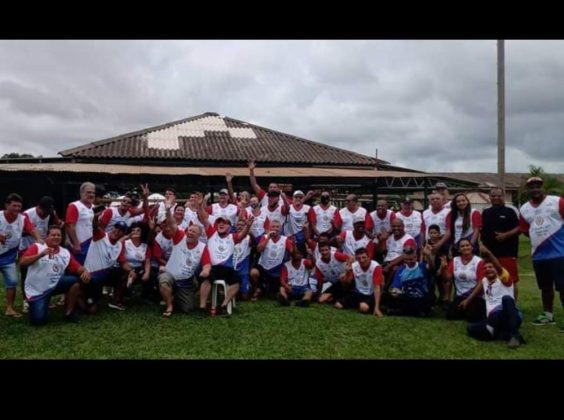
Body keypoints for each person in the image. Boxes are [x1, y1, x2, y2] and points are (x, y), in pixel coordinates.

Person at [20, 225, 90, 325]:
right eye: (53, 235)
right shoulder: (38, 247)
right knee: (38, 321)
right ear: (47, 237)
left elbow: (78, 268)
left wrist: (85, 272)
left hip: (55, 284)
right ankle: (40, 303)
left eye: (59, 235)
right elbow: (22, 262)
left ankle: (69, 313)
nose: (56, 237)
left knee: (76, 281)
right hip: (37, 290)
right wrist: (41, 255)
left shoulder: (65, 253)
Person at [519, 176, 564, 328]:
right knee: (545, 288)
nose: (535, 189)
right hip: (539, 256)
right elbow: (525, 230)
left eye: (538, 186)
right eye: (532, 187)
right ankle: (548, 315)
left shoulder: (557, 201)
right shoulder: (524, 208)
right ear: (528, 190)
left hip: (560, 254)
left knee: (563, 288)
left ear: (542, 188)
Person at [197, 196, 253, 316]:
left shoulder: (232, 237)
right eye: (219, 222)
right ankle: (202, 308)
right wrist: (200, 206)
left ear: (230, 226)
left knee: (237, 280)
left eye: (224, 223)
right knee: (206, 278)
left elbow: (243, 235)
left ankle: (223, 306)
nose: (221, 224)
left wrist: (248, 226)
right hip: (213, 268)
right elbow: (204, 219)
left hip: (227, 269)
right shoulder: (212, 233)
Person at [158, 207, 211, 317]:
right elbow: (172, 224)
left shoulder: (203, 247)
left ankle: (174, 296)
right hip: (170, 275)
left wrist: (206, 271)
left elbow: (207, 264)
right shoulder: (180, 237)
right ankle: (169, 306)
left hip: (186, 282)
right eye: (189, 230)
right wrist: (168, 210)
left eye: (194, 232)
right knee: (164, 280)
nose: (190, 233)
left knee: (188, 308)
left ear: (199, 235)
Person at [465, 260, 525, 348]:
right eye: (485, 268)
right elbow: (476, 291)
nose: (488, 269)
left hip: (509, 314)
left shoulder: (504, 279)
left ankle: (514, 336)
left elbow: (499, 268)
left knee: (507, 299)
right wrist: (467, 300)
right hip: (494, 318)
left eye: (491, 267)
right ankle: (502, 334)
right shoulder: (484, 281)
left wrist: (489, 254)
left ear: (497, 269)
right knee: (470, 327)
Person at [0, 193, 42, 317]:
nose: (17, 209)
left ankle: (9, 308)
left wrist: (38, 239)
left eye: (19, 206)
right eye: (14, 206)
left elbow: (32, 229)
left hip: (9, 256)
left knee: (12, 281)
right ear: (7, 205)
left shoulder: (22, 218)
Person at [19, 196, 63, 313]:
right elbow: (22, 230)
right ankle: (26, 300)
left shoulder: (51, 213)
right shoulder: (27, 214)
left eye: (49, 211)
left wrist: (59, 224)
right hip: (26, 247)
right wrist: (34, 235)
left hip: (44, 247)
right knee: (26, 274)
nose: (46, 215)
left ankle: (45, 296)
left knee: (46, 271)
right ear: (39, 207)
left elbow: (57, 224)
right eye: (45, 212)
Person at [481, 187, 520, 300]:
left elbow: (519, 228)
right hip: (489, 254)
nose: (496, 198)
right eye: (493, 196)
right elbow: (482, 230)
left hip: (507, 252)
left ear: (503, 196)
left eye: (499, 195)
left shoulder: (511, 211)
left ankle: (512, 305)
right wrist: (482, 246)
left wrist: (506, 235)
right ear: (489, 197)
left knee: (510, 280)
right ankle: (493, 304)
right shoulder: (485, 212)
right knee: (490, 279)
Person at [250, 219, 294, 300]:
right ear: (270, 228)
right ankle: (257, 289)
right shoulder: (264, 237)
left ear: (280, 229)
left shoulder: (285, 239)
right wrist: (268, 238)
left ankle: (268, 290)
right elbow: (259, 249)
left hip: (276, 270)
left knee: (273, 295)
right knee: (253, 273)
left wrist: (293, 245)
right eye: (273, 226)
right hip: (263, 267)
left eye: (277, 227)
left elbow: (292, 251)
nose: (275, 228)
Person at [386, 245, 435, 317]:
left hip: (421, 297)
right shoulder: (400, 270)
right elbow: (396, 286)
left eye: (411, 259)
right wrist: (395, 291)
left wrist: (428, 255)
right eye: (406, 259)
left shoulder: (422, 267)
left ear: (416, 257)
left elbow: (432, 267)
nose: (409, 262)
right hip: (406, 297)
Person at [444, 238, 485, 322]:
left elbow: (481, 283)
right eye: (462, 246)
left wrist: (468, 300)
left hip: (475, 296)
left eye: (467, 245)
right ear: (459, 249)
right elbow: (447, 278)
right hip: (461, 295)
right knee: (450, 315)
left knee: (473, 317)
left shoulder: (479, 261)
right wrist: (444, 267)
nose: (465, 247)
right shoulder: (455, 260)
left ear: (472, 247)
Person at [335, 247, 384, 317]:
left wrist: (377, 308)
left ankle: (370, 306)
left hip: (371, 293)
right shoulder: (354, 266)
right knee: (338, 305)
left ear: (369, 257)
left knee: (363, 308)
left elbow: (377, 288)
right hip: (358, 292)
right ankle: (360, 304)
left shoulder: (376, 266)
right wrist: (347, 272)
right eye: (359, 258)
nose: (362, 260)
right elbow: (347, 283)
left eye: (364, 257)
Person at [380, 219, 417, 289]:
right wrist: (382, 240)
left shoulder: (408, 239)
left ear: (403, 226)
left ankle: (386, 288)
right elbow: (382, 251)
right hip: (387, 261)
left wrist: (389, 266)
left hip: (402, 263)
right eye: (394, 226)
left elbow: (405, 255)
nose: (396, 228)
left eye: (399, 226)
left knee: (395, 269)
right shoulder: (390, 237)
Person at [65, 182, 96, 265]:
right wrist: (76, 244)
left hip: (90, 245)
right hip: (79, 246)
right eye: (88, 192)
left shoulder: (93, 208)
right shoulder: (74, 206)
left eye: (93, 193)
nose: (91, 195)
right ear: (81, 193)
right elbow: (70, 226)